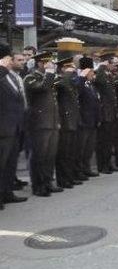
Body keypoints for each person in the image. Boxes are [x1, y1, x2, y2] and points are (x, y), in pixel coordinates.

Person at [24, 51, 62, 196]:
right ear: (40, 63)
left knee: (50, 155)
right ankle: (38, 185)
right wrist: (50, 73)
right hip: (39, 123)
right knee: (39, 155)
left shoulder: (49, 78)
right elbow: (42, 88)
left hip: (51, 122)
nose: (51, 65)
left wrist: (57, 120)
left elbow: (54, 101)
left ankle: (47, 182)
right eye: (48, 62)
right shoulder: (30, 77)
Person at [0, 44, 28, 208]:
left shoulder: (10, 76)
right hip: (3, 128)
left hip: (15, 127)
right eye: (10, 58)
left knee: (11, 163)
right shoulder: (2, 74)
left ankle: (7, 192)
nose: (11, 61)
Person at [54, 57, 83, 189]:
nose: (72, 69)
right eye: (68, 67)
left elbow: (79, 86)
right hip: (65, 120)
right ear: (62, 68)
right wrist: (67, 73)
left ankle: (70, 177)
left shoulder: (71, 80)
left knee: (71, 151)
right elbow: (62, 86)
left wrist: (75, 74)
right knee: (63, 152)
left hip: (73, 119)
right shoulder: (59, 79)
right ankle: (62, 179)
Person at [94, 54, 118, 174]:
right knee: (103, 141)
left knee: (109, 140)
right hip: (104, 113)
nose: (114, 66)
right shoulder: (100, 73)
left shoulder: (109, 75)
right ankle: (103, 165)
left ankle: (109, 163)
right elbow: (100, 82)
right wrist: (101, 67)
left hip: (111, 112)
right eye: (111, 63)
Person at [76, 58, 100, 178]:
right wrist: (81, 77)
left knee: (89, 148)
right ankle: (79, 170)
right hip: (83, 121)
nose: (93, 74)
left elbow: (96, 102)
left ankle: (87, 168)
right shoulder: (79, 82)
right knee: (81, 148)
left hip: (92, 121)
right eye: (91, 71)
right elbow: (77, 92)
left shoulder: (91, 84)